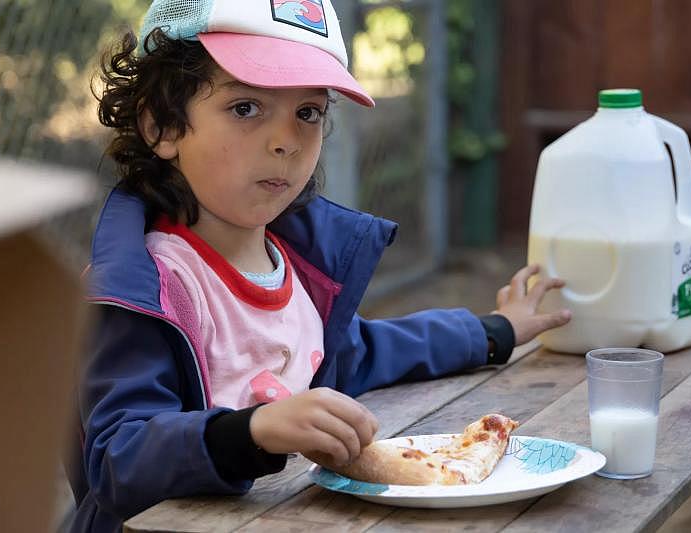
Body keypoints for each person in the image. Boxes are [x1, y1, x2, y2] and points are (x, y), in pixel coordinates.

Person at [67, 1, 572, 531]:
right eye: (245, 108)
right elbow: (116, 459)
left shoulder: (296, 271)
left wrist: (494, 332)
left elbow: (368, 351)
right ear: (161, 126)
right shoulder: (148, 289)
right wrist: (251, 431)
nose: (286, 140)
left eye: (308, 112)